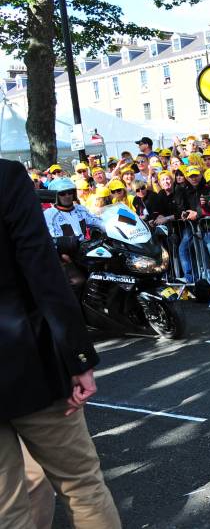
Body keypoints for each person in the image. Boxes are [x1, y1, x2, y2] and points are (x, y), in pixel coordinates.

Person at [0, 160, 121, 528]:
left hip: (21, 353)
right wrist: (79, 357)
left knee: (6, 508)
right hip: (26, 359)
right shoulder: (6, 177)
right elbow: (42, 268)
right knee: (80, 484)